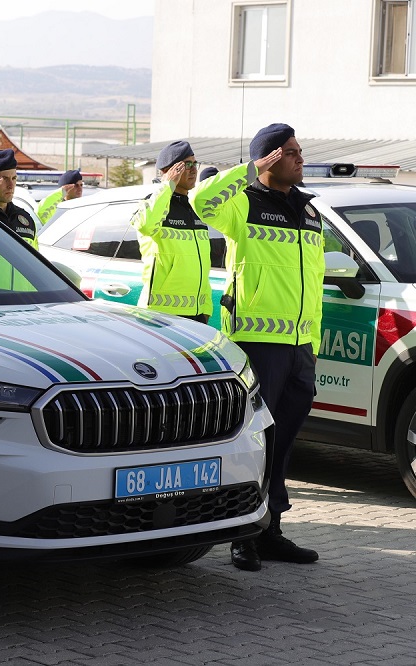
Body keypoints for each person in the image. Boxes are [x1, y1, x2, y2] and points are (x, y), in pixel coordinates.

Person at [192, 123, 322, 572]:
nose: (300, 159)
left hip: (299, 346)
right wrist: (248, 170)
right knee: (255, 441)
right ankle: (242, 537)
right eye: (291, 153)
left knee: (282, 443)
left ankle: (271, 530)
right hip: (257, 341)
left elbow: (315, 283)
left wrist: (314, 345)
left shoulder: (309, 211)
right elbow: (200, 200)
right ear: (269, 158)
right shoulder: (242, 203)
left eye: (300, 151)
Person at [131, 141, 212, 324]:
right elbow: (145, 225)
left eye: (194, 164)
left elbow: (201, 263)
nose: (193, 170)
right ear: (169, 170)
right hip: (162, 314)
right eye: (186, 165)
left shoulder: (193, 208)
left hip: (197, 315)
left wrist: (206, 307)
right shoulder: (152, 203)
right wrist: (167, 186)